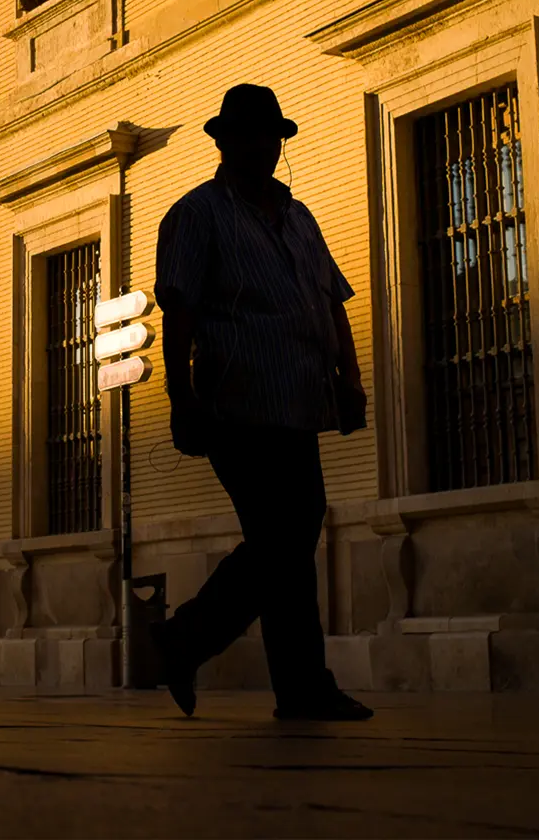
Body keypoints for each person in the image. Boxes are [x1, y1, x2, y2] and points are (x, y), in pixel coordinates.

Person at [149, 83, 373, 722]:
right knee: (285, 538)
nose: (263, 147)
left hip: (300, 404)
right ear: (223, 142)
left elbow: (331, 300)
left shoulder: (300, 217)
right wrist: (180, 396)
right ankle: (294, 682)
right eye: (248, 135)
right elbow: (181, 310)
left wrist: (349, 378)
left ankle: (202, 646)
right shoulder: (197, 214)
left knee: (288, 540)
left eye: (271, 136)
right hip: (236, 406)